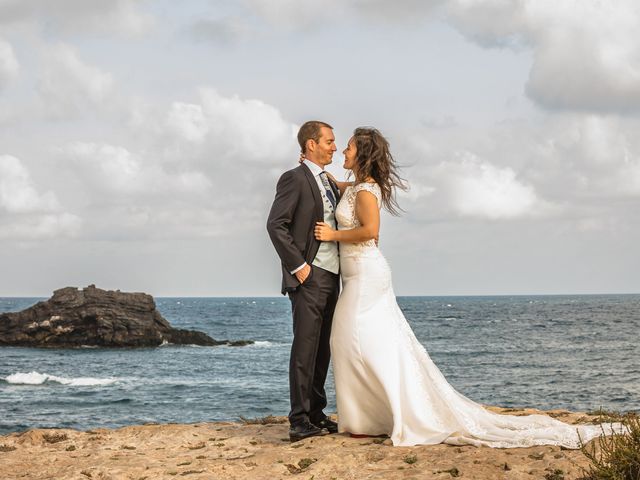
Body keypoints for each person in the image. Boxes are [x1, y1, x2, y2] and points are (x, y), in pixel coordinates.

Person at [314, 126, 621, 447]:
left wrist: (332, 235)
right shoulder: (358, 186)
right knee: (358, 342)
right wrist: (331, 182)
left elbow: (371, 231)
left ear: (362, 154)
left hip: (365, 275)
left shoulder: (365, 191)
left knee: (352, 340)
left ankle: (375, 417)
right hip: (356, 274)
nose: (343, 152)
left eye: (348, 147)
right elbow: (352, 194)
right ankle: (373, 417)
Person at [267, 120, 342, 442]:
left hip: (333, 274)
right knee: (305, 348)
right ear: (311, 144)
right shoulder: (293, 179)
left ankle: (315, 413)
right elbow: (276, 225)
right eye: (329, 141)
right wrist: (299, 266)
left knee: (322, 347)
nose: (334, 147)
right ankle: (298, 420)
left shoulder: (327, 181)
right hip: (310, 274)